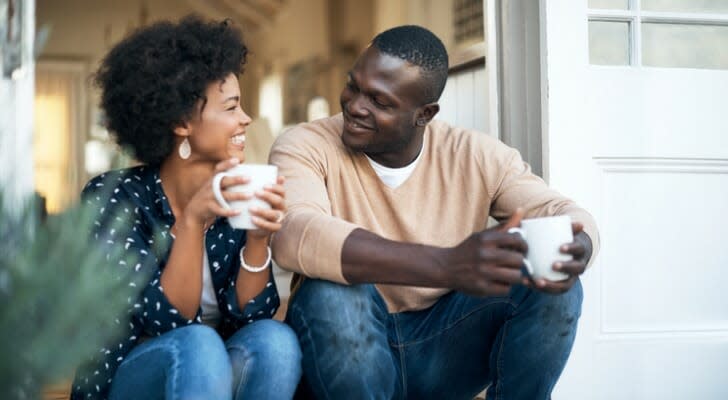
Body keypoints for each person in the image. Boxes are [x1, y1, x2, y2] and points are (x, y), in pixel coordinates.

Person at [269, 25, 599, 400]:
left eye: (380, 101)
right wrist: (448, 264)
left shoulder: (475, 154)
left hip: (443, 349)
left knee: (552, 280)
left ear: (424, 114)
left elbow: (559, 210)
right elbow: (295, 233)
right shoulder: (305, 145)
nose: (356, 106)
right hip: (344, 349)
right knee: (331, 291)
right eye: (353, 86)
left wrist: (579, 245)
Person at [71, 16, 301, 400]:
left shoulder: (235, 193)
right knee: (197, 344)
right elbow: (168, 320)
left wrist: (259, 238)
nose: (245, 118)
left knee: (275, 340)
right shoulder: (115, 198)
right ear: (181, 122)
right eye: (231, 107)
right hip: (130, 379)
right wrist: (193, 220)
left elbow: (251, 317)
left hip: (206, 380)